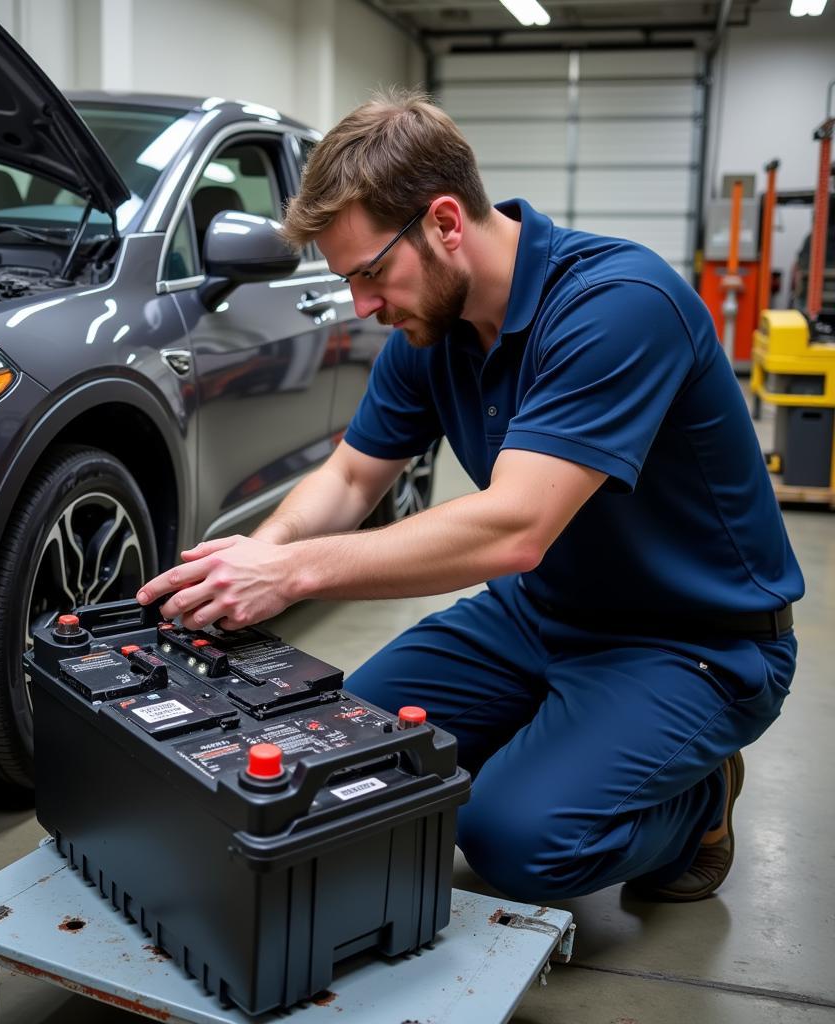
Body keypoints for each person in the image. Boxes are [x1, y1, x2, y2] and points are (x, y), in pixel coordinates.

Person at [137, 89, 802, 904]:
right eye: (348, 281)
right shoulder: (433, 331)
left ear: (446, 223)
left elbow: (516, 527)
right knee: (335, 751)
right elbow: (351, 476)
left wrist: (297, 573)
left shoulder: (618, 306)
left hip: (691, 644)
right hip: (537, 614)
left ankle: (699, 802)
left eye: (372, 272)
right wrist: (247, 561)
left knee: (513, 842)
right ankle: (559, 749)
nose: (363, 306)